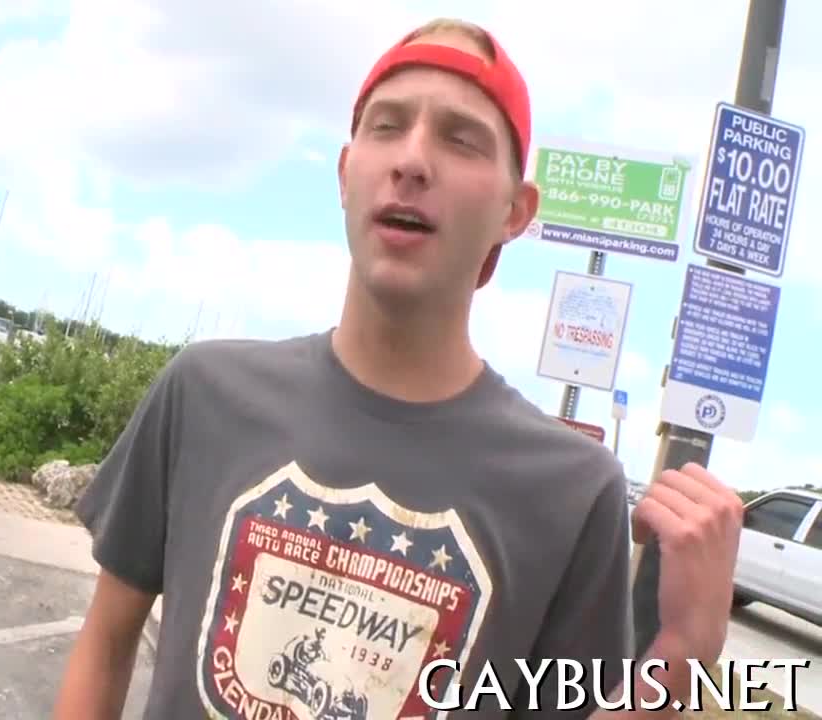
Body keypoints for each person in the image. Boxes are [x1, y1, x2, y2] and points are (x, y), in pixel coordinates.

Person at [54, 17, 745, 719]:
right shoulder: (203, 394)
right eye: (386, 126)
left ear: (515, 211)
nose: (413, 160)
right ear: (344, 174)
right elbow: (106, 643)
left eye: (461, 138)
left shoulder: (572, 491)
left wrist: (686, 648)